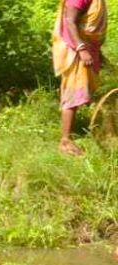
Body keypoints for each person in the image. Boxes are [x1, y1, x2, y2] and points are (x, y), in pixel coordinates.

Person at [53, 0, 108, 156]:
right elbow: (69, 20)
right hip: (76, 50)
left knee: (83, 91)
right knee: (73, 92)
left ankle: (97, 126)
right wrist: (81, 49)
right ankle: (65, 141)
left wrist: (97, 53)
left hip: (88, 48)